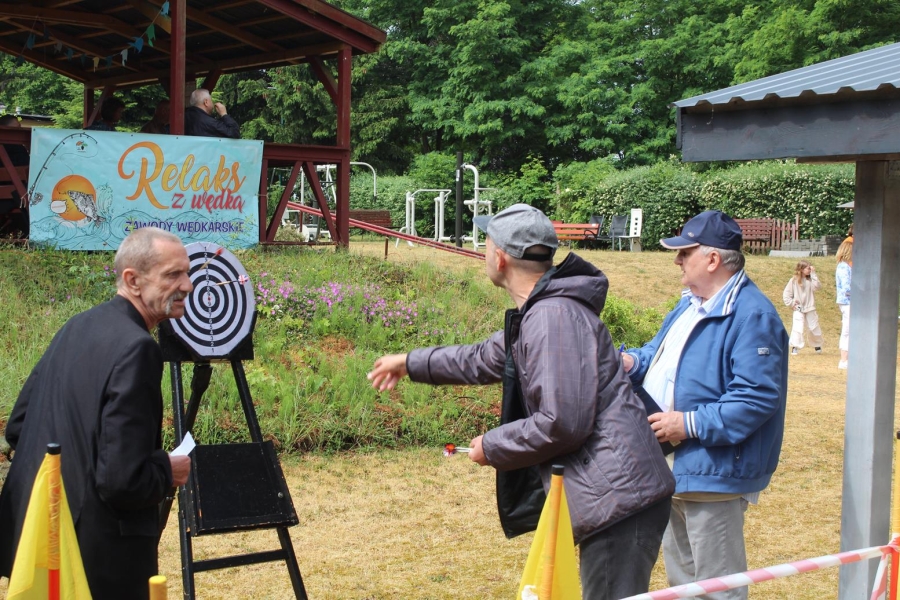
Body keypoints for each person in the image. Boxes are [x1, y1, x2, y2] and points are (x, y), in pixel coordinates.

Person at [368, 204, 674, 600]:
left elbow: (562, 422)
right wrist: (410, 362)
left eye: (486, 243)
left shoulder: (553, 317)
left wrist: (492, 446)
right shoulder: (540, 312)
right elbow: (479, 358)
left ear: (500, 257)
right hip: (613, 494)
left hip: (621, 499)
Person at [0, 227, 194, 599]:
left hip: (38, 537)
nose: (186, 285)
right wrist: (167, 469)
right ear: (132, 280)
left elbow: (20, 425)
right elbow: (122, 481)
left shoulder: (78, 325)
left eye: (187, 272)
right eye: (172, 275)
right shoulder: (138, 349)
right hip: (94, 559)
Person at [621, 210, 788, 600]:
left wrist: (689, 424)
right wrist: (633, 362)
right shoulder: (690, 303)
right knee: (683, 585)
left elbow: (757, 397)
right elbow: (659, 353)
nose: (677, 260)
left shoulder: (753, 315)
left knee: (718, 589)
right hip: (674, 468)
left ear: (712, 259)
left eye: (685, 252)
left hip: (713, 472)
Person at [782, 260, 823, 355]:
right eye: (807, 268)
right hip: (799, 308)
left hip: (810, 307)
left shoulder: (811, 279)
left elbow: (817, 287)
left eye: (810, 267)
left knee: (813, 327)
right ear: (801, 269)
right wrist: (792, 303)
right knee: (798, 326)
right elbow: (786, 294)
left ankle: (817, 344)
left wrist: (813, 274)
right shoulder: (794, 280)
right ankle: (795, 346)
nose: (809, 269)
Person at [835, 237, 853, 370]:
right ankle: (844, 359)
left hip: (849, 301)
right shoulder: (843, 267)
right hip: (847, 302)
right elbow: (847, 288)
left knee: (850, 329)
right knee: (847, 329)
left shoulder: (846, 266)